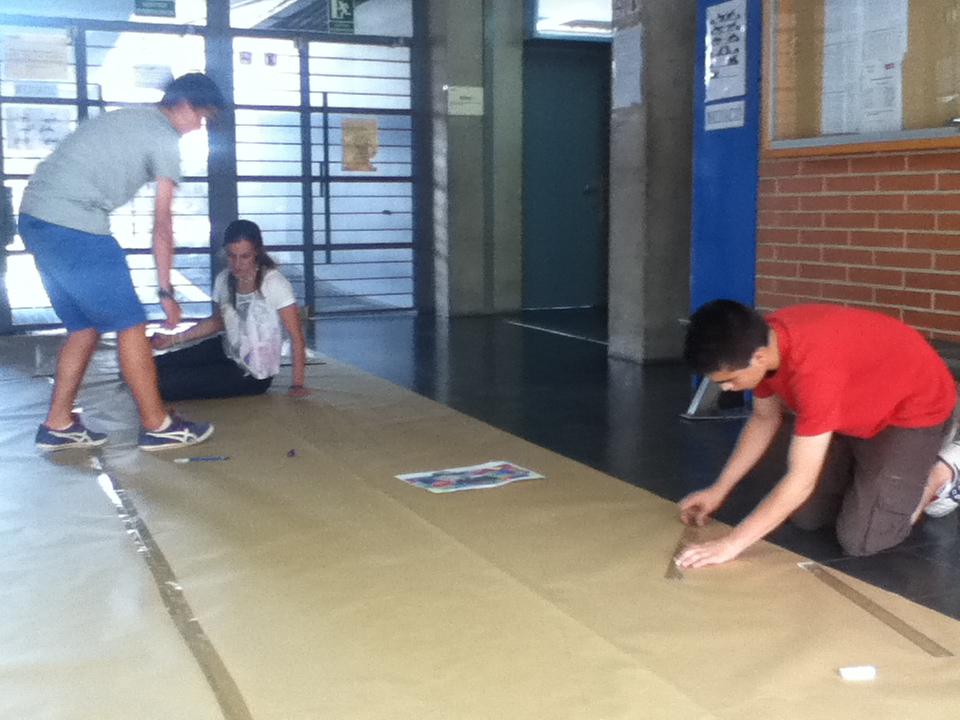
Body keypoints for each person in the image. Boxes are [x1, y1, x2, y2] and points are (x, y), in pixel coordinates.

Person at [19, 73, 223, 452]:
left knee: (84, 327)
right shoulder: (164, 136)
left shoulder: (130, 117)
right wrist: (166, 291)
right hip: (75, 223)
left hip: (36, 219)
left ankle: (58, 423)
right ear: (183, 104)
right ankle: (158, 424)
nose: (199, 126)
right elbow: (163, 224)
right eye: (201, 117)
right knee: (131, 323)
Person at [676, 299, 960, 569]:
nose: (726, 388)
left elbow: (801, 481)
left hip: (913, 410)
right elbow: (764, 418)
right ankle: (878, 474)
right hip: (857, 407)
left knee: (862, 539)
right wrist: (718, 489)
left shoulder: (815, 370)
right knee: (807, 517)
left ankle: (941, 475)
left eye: (729, 380)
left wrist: (731, 544)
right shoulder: (761, 344)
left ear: (758, 358)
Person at [149, 219, 310, 400]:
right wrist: (173, 339)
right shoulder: (224, 279)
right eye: (231, 255)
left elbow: (297, 337)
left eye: (244, 256)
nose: (236, 264)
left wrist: (297, 384)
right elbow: (217, 321)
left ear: (257, 252)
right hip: (224, 349)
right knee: (152, 366)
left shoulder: (274, 283)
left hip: (251, 374)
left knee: (164, 385)